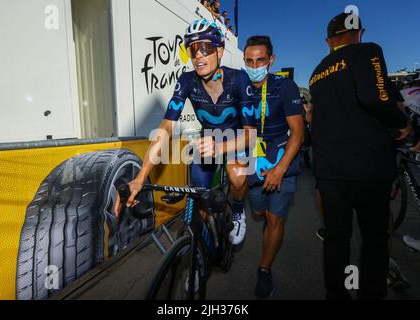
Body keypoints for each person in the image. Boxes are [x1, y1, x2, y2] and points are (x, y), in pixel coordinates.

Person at [124, 19, 256, 245]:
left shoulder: (238, 79)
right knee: (199, 198)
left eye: (205, 48)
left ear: (220, 50)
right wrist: (140, 177)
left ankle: (236, 211)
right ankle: (202, 251)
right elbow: (166, 128)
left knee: (237, 176)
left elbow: (250, 135)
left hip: (235, 140)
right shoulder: (186, 80)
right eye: (193, 49)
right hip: (208, 140)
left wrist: (220, 147)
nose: (199, 55)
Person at [309, 12, 411, 300]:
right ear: (360, 32)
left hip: (329, 171)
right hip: (368, 167)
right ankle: (371, 293)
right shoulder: (368, 51)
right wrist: (400, 122)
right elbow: (375, 97)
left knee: (337, 238)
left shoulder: (318, 70)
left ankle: (337, 295)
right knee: (374, 237)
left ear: (329, 41)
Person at [243, 36, 305, 299]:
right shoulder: (239, 86)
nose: (254, 65)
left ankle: (265, 269)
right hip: (252, 160)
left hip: (281, 159)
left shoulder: (285, 86)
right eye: (249, 60)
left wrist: (280, 168)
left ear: (271, 60)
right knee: (258, 213)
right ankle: (254, 211)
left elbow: (298, 132)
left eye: (260, 60)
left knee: (274, 218)